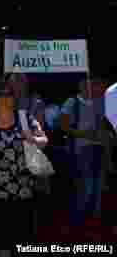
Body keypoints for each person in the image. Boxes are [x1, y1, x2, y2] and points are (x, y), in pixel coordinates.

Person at [0, 79, 47, 253]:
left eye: (8, 94)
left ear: (14, 97)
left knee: (23, 235)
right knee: (1, 236)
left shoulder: (25, 117)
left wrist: (33, 139)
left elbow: (44, 140)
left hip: (24, 187)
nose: (4, 98)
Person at [60, 75, 108, 228]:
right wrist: (85, 134)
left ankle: (94, 220)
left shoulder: (98, 103)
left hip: (98, 148)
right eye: (91, 84)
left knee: (98, 186)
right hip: (81, 149)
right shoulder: (72, 102)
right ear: (82, 85)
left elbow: (103, 126)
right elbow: (64, 126)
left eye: (96, 85)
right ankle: (79, 221)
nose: (94, 87)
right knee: (85, 187)